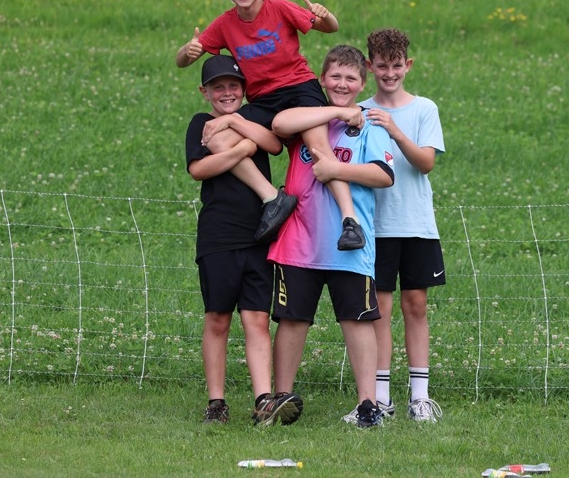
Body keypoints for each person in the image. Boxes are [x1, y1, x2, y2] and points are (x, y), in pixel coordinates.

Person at [176, 0, 365, 250]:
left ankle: (350, 221)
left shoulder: (279, 8)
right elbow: (181, 61)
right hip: (263, 100)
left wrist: (325, 15)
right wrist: (188, 51)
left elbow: (330, 28)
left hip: (299, 88)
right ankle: (273, 198)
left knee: (318, 148)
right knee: (217, 139)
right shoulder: (224, 24)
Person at [263, 45, 395, 429]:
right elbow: (279, 124)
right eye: (335, 76)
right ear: (322, 79)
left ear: (362, 84)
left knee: (357, 320)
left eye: (350, 78)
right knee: (292, 320)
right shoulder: (310, 118)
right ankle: (281, 398)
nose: (342, 84)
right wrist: (334, 112)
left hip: (350, 244)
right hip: (298, 243)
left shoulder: (369, 124)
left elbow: (383, 175)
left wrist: (336, 169)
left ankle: (368, 405)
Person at [184, 54, 301, 426]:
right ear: (204, 91)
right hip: (218, 236)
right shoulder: (201, 123)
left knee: (257, 318)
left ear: (245, 89)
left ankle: (264, 399)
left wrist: (236, 126)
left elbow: (273, 145)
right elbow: (199, 169)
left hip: (260, 233)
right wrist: (241, 149)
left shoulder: (251, 117)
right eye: (218, 87)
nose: (227, 93)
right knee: (218, 318)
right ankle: (216, 402)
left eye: (233, 86)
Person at [359, 27, 446, 423]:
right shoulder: (359, 111)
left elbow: (426, 163)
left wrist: (393, 129)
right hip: (374, 226)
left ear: (408, 65)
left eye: (396, 66)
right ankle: (380, 399)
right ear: (369, 66)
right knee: (379, 309)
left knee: (416, 305)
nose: (389, 74)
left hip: (415, 224)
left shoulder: (424, 109)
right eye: (382, 66)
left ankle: (419, 397)